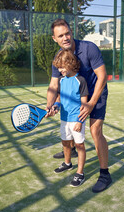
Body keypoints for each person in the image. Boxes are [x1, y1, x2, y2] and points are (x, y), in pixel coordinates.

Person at [46, 18, 112, 193]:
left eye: (67, 33)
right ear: (55, 39)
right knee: (67, 131)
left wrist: (90, 103)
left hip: (96, 93)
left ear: (71, 32)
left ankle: (105, 174)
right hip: (74, 97)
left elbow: (102, 76)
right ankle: (70, 154)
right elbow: (54, 86)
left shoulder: (89, 48)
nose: (65, 37)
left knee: (95, 131)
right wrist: (49, 105)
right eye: (61, 35)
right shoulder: (59, 57)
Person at [51, 49, 89, 187]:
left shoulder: (81, 80)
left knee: (79, 145)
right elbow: (60, 97)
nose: (60, 70)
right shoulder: (61, 80)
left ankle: (80, 173)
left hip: (77, 120)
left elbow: (85, 104)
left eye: (62, 67)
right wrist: (56, 105)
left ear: (70, 63)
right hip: (64, 119)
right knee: (66, 143)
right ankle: (67, 164)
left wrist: (80, 121)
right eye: (58, 67)